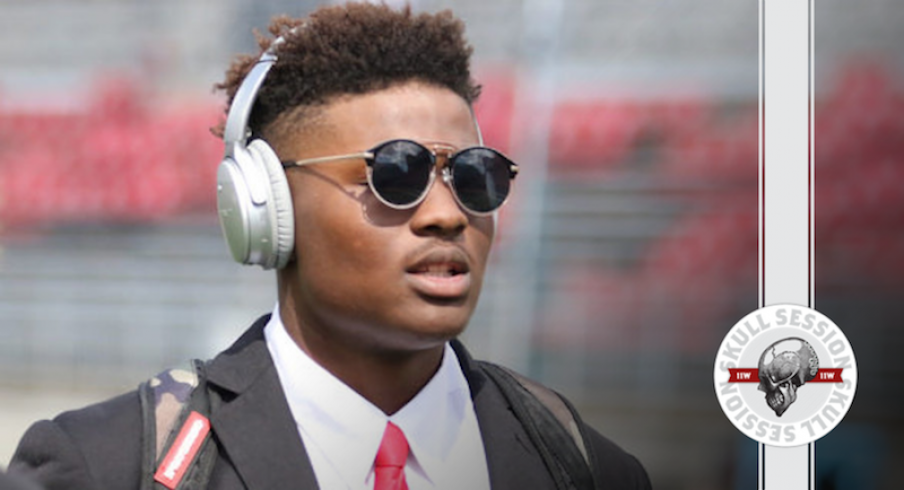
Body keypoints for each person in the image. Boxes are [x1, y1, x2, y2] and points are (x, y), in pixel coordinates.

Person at [8, 3, 651, 489]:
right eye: (397, 175)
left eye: (473, 175)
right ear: (266, 206)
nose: (447, 215)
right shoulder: (103, 465)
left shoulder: (587, 466)